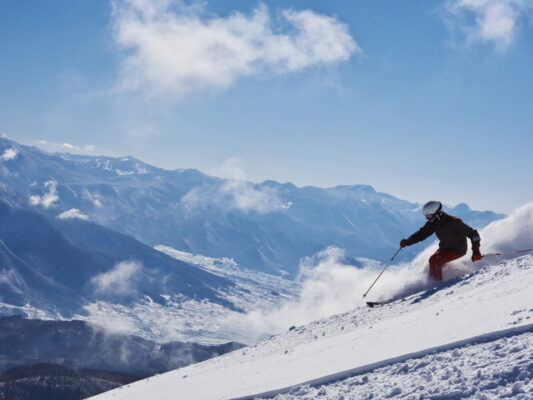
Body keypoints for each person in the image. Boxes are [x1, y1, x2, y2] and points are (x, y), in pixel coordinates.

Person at [400, 201, 482, 281]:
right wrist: (408, 242)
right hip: (444, 247)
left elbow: (473, 234)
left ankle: (436, 284)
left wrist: (476, 251)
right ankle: (433, 280)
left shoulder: (454, 222)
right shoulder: (433, 223)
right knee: (431, 263)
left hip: (457, 249)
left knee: (434, 261)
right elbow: (421, 234)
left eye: (429, 216)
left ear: (437, 214)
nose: (427, 219)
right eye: (426, 216)